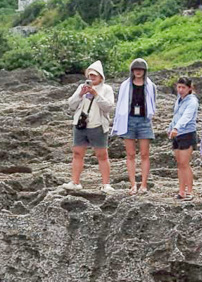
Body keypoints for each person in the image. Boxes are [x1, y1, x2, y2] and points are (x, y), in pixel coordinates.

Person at [62, 61, 115, 193]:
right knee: (77, 153)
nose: (91, 78)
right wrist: (81, 94)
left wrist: (96, 94)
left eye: (94, 76)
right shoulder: (82, 87)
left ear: (100, 77)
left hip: (97, 126)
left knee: (102, 155)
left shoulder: (106, 89)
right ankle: (75, 182)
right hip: (81, 125)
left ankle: (106, 184)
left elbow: (108, 107)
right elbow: (71, 105)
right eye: (89, 76)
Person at [111, 57, 157, 195]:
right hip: (129, 120)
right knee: (130, 154)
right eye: (136, 69)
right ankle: (132, 184)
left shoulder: (150, 86)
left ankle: (143, 184)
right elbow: (120, 103)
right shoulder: (125, 85)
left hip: (144, 120)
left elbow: (153, 102)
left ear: (145, 71)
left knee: (144, 153)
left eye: (141, 69)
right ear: (132, 70)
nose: (138, 71)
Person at [168, 76, 199, 201]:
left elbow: (186, 117)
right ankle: (181, 191)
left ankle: (190, 191)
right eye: (179, 87)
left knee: (185, 163)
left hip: (187, 133)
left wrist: (176, 128)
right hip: (177, 134)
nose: (180, 90)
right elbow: (176, 115)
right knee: (179, 163)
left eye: (183, 87)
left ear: (189, 88)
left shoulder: (192, 101)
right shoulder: (179, 100)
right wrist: (170, 128)